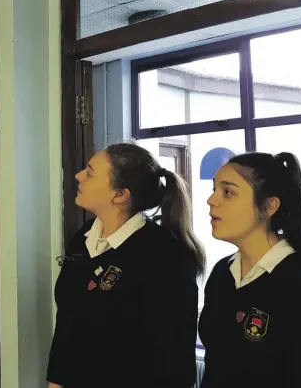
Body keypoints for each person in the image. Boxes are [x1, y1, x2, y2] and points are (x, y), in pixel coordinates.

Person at [47, 143, 205, 388]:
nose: (78, 176)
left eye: (89, 172)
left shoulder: (165, 255)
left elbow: (173, 358)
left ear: (120, 195)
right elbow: (67, 325)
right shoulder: (85, 236)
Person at [199, 152, 301, 388]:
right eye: (214, 190)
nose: (211, 200)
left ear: (269, 206)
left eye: (228, 192)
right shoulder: (223, 273)